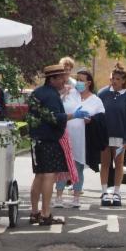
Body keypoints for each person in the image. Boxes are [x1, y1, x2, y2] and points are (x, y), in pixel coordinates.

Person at [27, 64, 70, 226]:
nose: (63, 80)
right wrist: (73, 115)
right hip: (48, 140)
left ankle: (34, 212)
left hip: (36, 139)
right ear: (52, 79)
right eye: (61, 78)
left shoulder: (38, 92)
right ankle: (46, 214)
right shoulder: (52, 96)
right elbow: (55, 118)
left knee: (39, 175)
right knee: (49, 175)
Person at [98, 65, 126, 203]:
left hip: (120, 137)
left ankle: (117, 192)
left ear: (123, 80)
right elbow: (98, 115)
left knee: (119, 164)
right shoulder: (102, 94)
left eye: (117, 79)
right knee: (105, 164)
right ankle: (104, 192)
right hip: (104, 136)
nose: (114, 81)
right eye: (112, 78)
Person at [74, 69, 107, 193]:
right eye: (77, 80)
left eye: (81, 80)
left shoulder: (95, 100)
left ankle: (76, 194)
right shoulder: (71, 95)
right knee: (65, 168)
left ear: (88, 83)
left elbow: (102, 119)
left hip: (84, 139)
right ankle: (59, 195)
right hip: (69, 136)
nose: (78, 82)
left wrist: (91, 120)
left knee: (78, 167)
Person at [54, 56, 81, 208]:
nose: (67, 72)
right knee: (60, 163)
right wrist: (63, 93)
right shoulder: (57, 85)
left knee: (74, 163)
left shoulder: (75, 85)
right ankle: (58, 196)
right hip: (59, 125)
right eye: (65, 69)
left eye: (69, 69)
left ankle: (75, 195)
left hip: (73, 126)